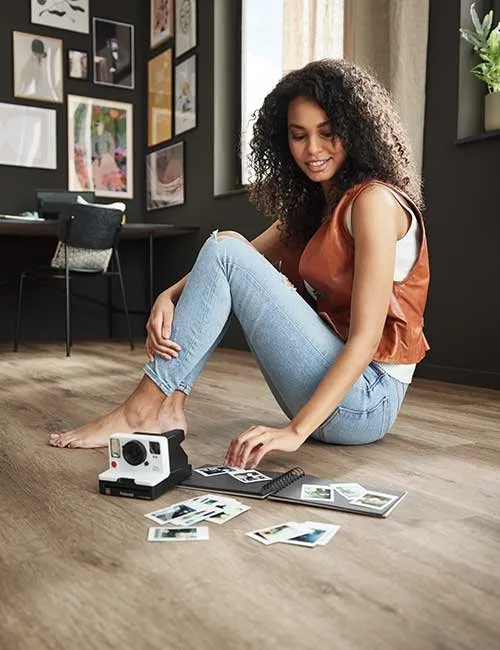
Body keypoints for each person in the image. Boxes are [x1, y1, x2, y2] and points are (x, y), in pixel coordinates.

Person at [50, 59, 430, 471]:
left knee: (226, 249)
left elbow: (365, 339)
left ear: (356, 130)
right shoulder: (317, 206)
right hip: (330, 390)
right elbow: (231, 256)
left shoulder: (373, 201)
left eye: (327, 133)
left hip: (366, 401)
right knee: (227, 243)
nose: (313, 150)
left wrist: (294, 432)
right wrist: (169, 294)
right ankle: (169, 403)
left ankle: (143, 409)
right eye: (298, 136)